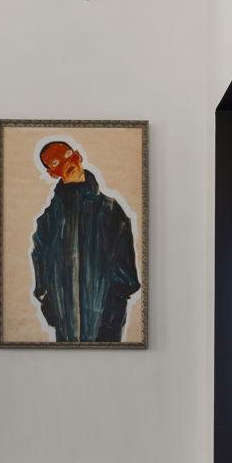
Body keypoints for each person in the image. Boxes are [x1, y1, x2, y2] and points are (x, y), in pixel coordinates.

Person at [30, 140, 140, 343]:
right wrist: (48, 302)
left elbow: (126, 270)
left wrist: (114, 304)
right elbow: (40, 261)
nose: (66, 162)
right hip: (65, 322)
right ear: (53, 174)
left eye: (67, 155)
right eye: (55, 162)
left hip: (107, 319)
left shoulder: (110, 210)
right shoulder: (49, 219)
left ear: (78, 156)